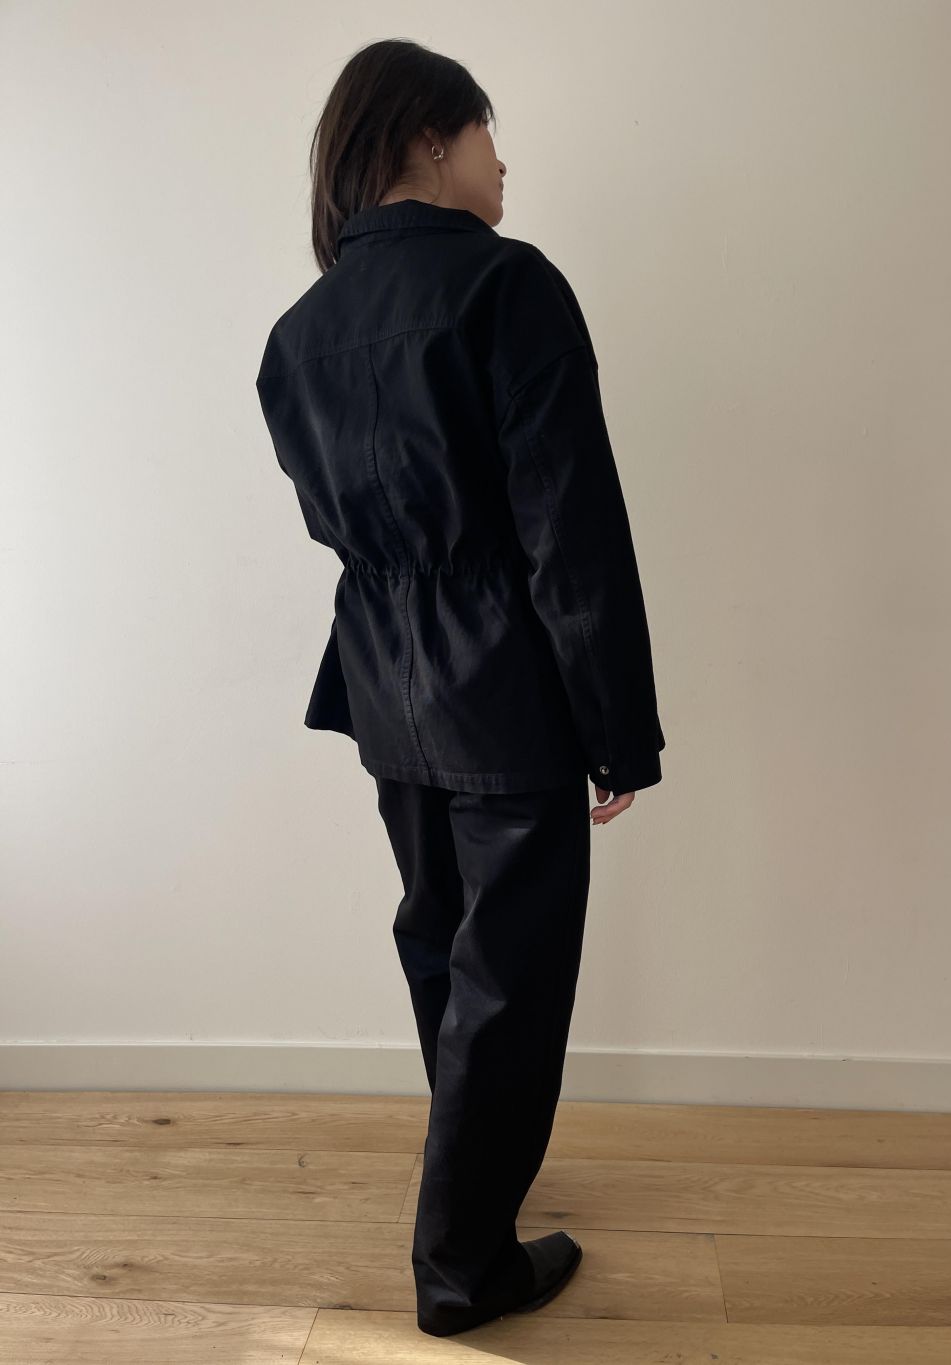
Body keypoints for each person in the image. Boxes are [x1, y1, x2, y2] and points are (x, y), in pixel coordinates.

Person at [255, 38, 666, 1337]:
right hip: (507, 689)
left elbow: (340, 519)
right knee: (514, 973)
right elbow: (569, 529)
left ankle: (474, 1176)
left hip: (387, 689)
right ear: (428, 137)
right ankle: (464, 1267)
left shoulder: (298, 334)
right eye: (488, 132)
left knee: (442, 937)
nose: (503, 161)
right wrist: (618, 729)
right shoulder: (507, 286)